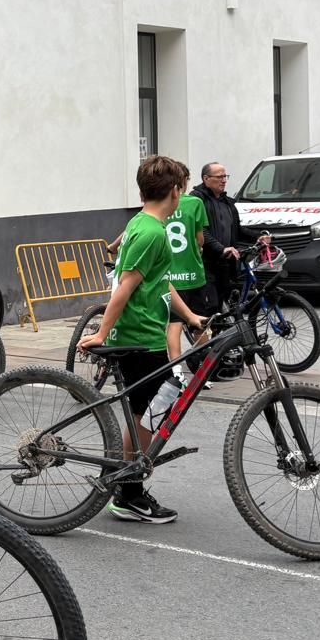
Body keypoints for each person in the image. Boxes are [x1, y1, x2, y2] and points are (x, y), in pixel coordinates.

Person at [78, 156, 208, 525]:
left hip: (148, 331)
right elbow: (127, 285)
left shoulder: (143, 222)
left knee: (143, 414)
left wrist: (189, 316)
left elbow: (160, 280)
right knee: (150, 415)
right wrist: (102, 332)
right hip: (140, 335)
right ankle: (129, 490)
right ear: (175, 190)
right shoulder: (151, 232)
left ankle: (125, 481)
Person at [164, 166, 219, 381]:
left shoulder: (163, 206)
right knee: (200, 323)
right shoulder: (195, 203)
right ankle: (201, 371)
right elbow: (200, 239)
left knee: (174, 324)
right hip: (193, 273)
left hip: (171, 276)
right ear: (185, 181)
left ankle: (176, 370)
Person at [189, 162, 244, 308]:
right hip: (205, 263)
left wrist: (260, 237)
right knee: (210, 305)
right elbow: (200, 231)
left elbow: (238, 230)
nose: (224, 180)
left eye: (225, 176)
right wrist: (221, 248)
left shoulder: (227, 202)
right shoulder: (196, 200)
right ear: (206, 178)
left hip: (225, 263)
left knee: (223, 304)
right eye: (219, 177)